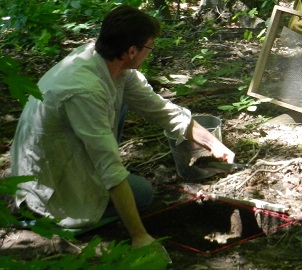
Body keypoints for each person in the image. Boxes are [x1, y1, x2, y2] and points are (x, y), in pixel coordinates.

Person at [11, 5, 235, 248]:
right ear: (132, 51)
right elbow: (109, 165)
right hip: (50, 181)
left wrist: (213, 144)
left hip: (68, 152)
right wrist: (139, 235)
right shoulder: (84, 90)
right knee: (142, 194)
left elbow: (160, 110)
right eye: (149, 47)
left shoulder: (110, 65)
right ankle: (55, 219)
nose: (150, 52)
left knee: (124, 108)